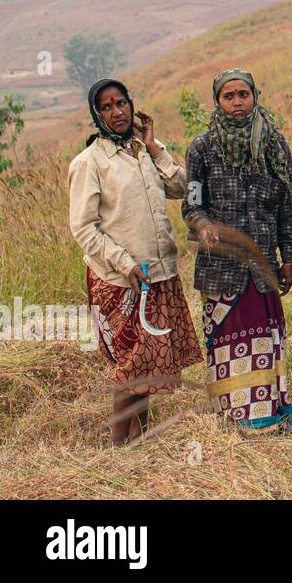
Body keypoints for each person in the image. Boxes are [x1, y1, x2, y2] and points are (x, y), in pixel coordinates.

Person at [68, 78, 201, 446]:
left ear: (132, 105)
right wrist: (125, 264)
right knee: (131, 367)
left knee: (145, 365)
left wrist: (156, 146)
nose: (117, 111)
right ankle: (117, 449)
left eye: (121, 103)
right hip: (120, 280)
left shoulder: (144, 152)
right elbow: (84, 228)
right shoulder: (90, 162)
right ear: (98, 114)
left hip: (157, 273)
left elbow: (182, 188)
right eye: (107, 106)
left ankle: (138, 442)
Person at [183, 69, 292, 431]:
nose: (237, 102)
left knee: (264, 342)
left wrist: (290, 257)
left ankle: (266, 418)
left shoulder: (274, 144)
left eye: (243, 94)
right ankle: (233, 421)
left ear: (255, 96)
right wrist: (202, 225)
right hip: (221, 267)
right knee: (227, 345)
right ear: (217, 101)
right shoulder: (201, 148)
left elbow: (286, 208)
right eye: (228, 96)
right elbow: (191, 205)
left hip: (263, 266)